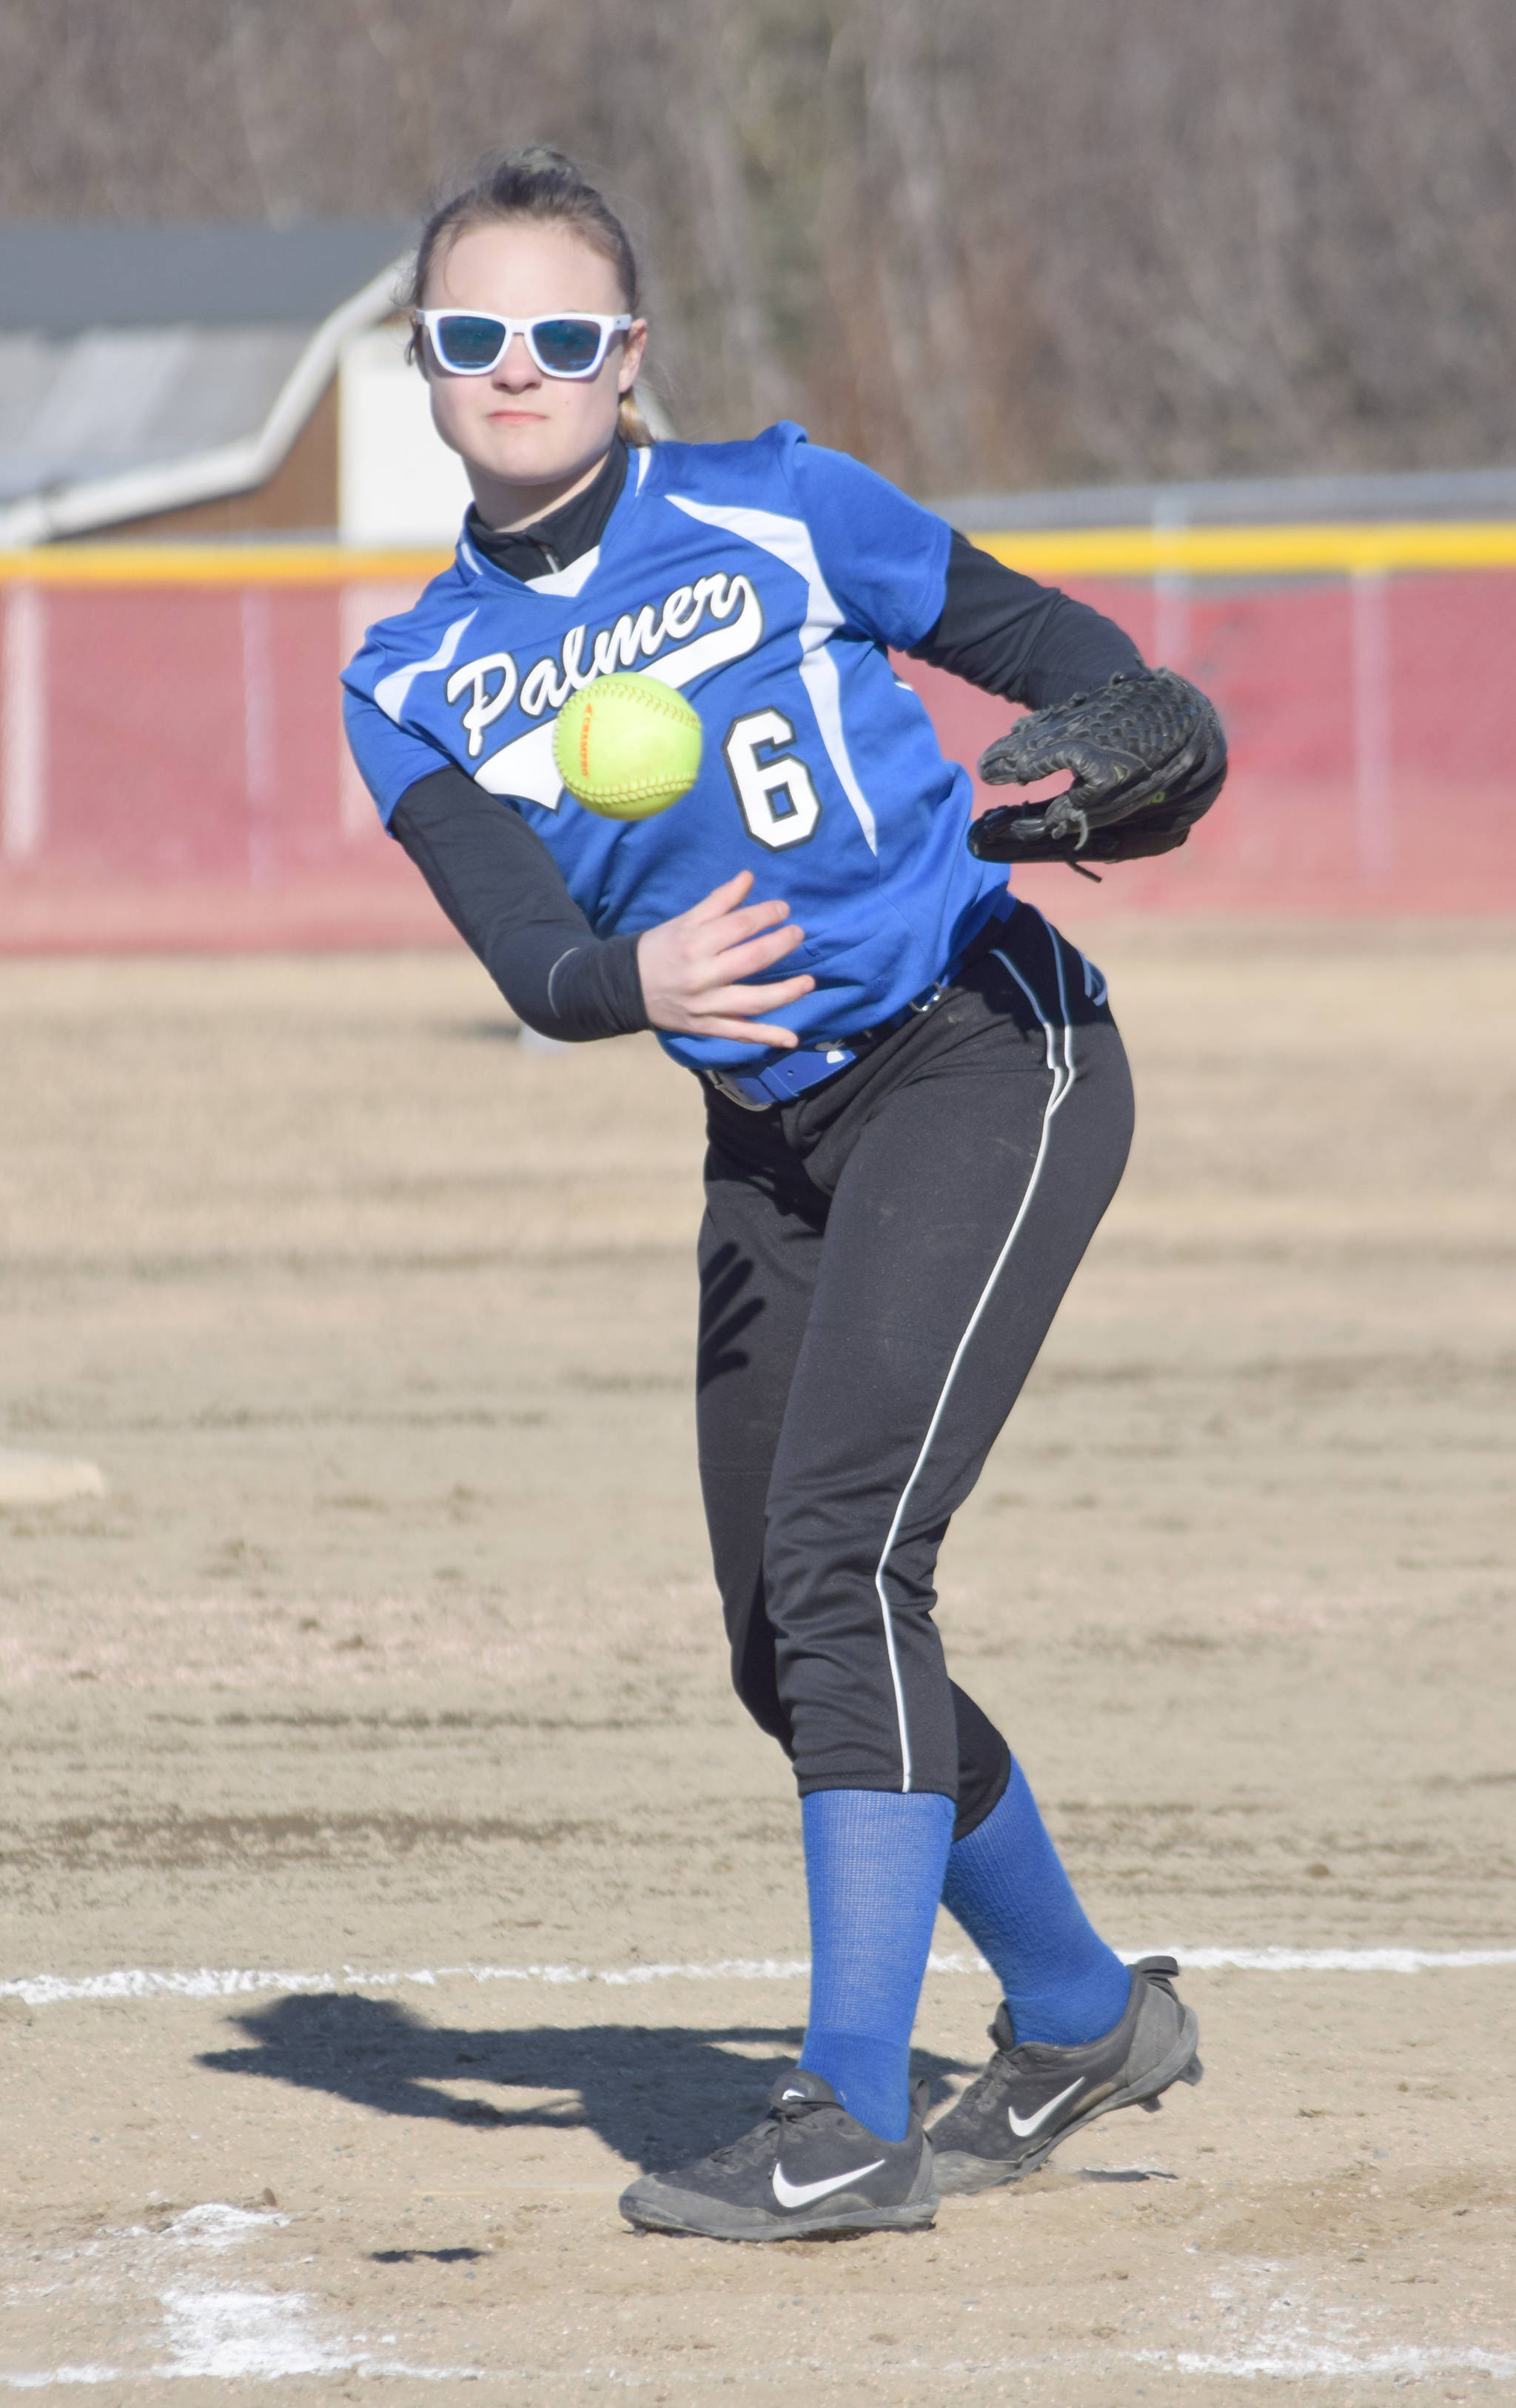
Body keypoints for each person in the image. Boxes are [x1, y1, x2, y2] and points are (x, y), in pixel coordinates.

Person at [342, 146, 1206, 2244]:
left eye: (565, 333)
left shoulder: (788, 501)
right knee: (782, 1640)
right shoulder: (410, 674)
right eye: (477, 338)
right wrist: (619, 979)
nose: (519, 367)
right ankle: (1087, 2017)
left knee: (844, 1571)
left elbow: (1096, 673)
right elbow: (530, 953)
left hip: (988, 1050)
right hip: (775, 1141)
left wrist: (1115, 757)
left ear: (629, 361)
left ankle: (845, 2117)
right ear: (426, 372)